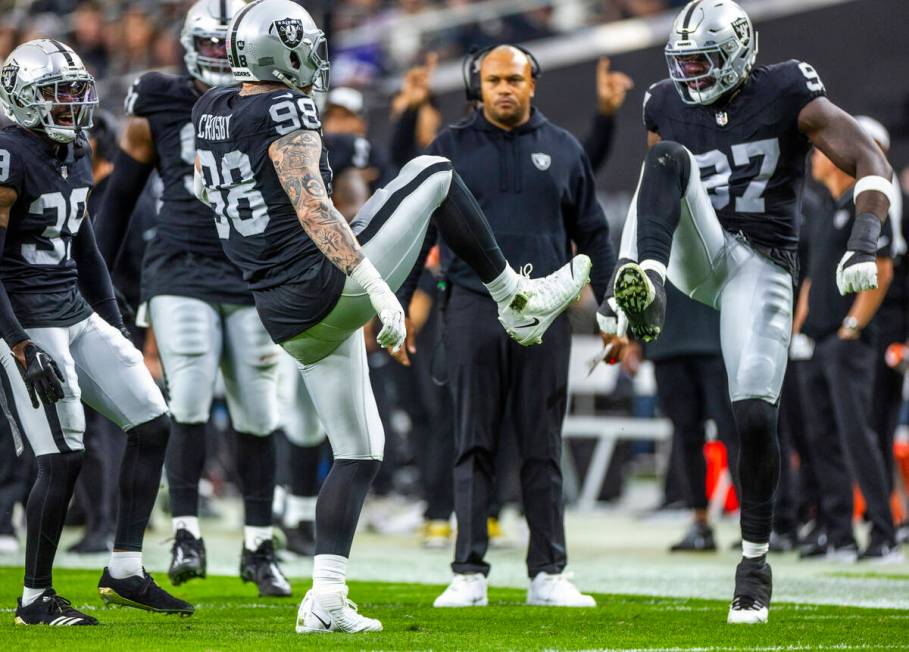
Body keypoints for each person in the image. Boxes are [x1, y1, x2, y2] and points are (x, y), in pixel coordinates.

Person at [193, 0, 591, 633]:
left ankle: (325, 599)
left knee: (360, 449)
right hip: (323, 286)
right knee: (433, 172)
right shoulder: (283, 108)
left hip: (280, 310)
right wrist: (379, 291)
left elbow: (216, 195)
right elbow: (315, 209)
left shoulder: (211, 108)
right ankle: (515, 298)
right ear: (284, 49)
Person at [597, 0, 895, 624]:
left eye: (704, 63)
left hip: (761, 265)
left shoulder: (788, 89)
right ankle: (641, 286)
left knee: (755, 416)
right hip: (691, 253)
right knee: (668, 159)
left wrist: (864, 238)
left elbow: (871, 159)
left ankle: (754, 565)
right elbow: (653, 200)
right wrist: (618, 299)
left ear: (737, 53)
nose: (691, 78)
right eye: (684, 64)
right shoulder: (665, 104)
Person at [94, 0, 291, 597]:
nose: (222, 60)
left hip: (252, 269)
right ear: (190, 45)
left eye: (231, 47)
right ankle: (186, 533)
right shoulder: (159, 96)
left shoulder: (277, 102)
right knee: (190, 396)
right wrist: (94, 285)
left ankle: (260, 545)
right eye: (212, 46)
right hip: (180, 265)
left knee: (260, 410)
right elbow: (120, 197)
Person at [0, 38, 193, 626]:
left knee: (153, 421)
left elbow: (85, 251)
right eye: (56, 97)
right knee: (62, 457)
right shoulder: (7, 155)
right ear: (20, 97)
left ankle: (126, 569)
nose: (70, 108)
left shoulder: (76, 148)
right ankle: (34, 599)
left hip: (73, 310)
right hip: (25, 317)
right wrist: (19, 343)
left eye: (76, 95)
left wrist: (112, 323)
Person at [426, 44, 614, 609]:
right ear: (476, 86)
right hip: (472, 304)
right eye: (493, 80)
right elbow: (418, 232)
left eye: (514, 79)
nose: (504, 88)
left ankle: (548, 572)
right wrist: (403, 302)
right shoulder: (448, 148)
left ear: (533, 82)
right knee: (472, 439)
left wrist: (610, 309)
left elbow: (596, 235)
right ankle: (468, 571)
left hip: (547, 310)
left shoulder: (564, 148)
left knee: (541, 442)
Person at [794, 131, 900, 562]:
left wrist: (851, 328)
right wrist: (799, 331)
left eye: (822, 151)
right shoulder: (821, 210)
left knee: (857, 435)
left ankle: (883, 533)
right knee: (821, 440)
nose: (815, 158)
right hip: (816, 344)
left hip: (847, 344)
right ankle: (838, 534)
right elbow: (812, 280)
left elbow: (883, 270)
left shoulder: (868, 205)